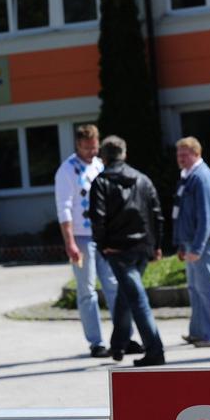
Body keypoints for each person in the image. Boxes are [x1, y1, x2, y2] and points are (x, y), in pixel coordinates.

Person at [54, 124, 142, 358]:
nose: (92, 152)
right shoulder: (67, 170)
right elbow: (64, 209)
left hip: (104, 236)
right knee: (87, 291)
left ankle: (124, 337)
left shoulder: (99, 165)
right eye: (87, 148)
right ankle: (96, 342)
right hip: (81, 237)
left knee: (114, 286)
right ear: (77, 145)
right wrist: (70, 242)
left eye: (94, 148)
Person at [89, 135, 166, 367]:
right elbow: (157, 214)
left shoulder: (100, 182)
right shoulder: (143, 179)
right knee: (127, 294)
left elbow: (97, 219)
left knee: (137, 299)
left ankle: (155, 350)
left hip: (118, 249)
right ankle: (119, 344)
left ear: (103, 158)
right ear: (124, 154)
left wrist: (102, 245)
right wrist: (156, 245)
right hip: (141, 247)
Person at [173, 137, 210, 348]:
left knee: (208, 287)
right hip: (190, 241)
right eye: (179, 154)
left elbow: (206, 216)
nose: (180, 158)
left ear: (197, 153)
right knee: (195, 288)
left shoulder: (202, 177)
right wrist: (181, 244)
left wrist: (197, 247)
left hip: (201, 243)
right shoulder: (188, 176)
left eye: (185, 154)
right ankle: (198, 331)